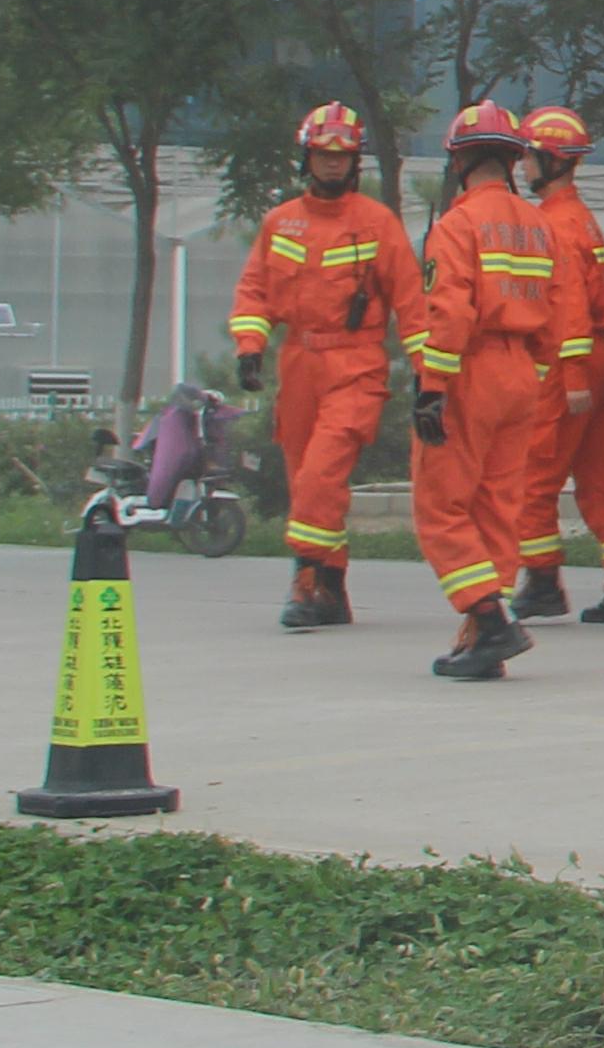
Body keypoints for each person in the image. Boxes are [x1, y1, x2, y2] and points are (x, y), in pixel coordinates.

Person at [226, 99, 416, 634]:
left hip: (356, 364)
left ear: (355, 160)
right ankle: (333, 586)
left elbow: (412, 303)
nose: (333, 163)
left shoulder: (377, 224)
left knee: (319, 474)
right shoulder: (280, 222)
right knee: (305, 478)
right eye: (323, 154)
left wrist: (431, 376)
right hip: (299, 365)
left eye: (343, 155)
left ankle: (306, 578)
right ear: (306, 157)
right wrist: (249, 346)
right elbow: (254, 291)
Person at [407, 99, 552, 680]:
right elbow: (557, 310)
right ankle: (484, 631)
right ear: (513, 161)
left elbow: (449, 311)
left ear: (459, 161)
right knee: (499, 504)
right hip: (522, 375)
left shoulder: (458, 225)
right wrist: (535, 376)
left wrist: (432, 387)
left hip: (470, 370)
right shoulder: (537, 226)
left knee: (440, 504)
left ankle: (489, 619)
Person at [516, 107, 604, 623]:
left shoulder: (551, 225)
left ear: (549, 161)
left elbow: (568, 303)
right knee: (602, 477)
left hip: (566, 361)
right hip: (598, 358)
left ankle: (542, 582)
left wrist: (571, 376)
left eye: (529, 157)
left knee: (534, 475)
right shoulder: (580, 218)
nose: (523, 166)